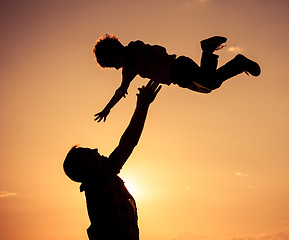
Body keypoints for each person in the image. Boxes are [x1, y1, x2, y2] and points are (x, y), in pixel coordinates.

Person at [63, 80, 161, 240]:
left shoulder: (99, 184)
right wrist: (142, 105)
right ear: (86, 166)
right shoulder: (101, 180)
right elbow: (129, 141)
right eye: (89, 152)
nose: (95, 150)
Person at [93, 34, 261, 122]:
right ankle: (236, 62)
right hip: (178, 79)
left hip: (180, 67)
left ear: (116, 49)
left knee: (209, 82)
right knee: (211, 84)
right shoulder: (127, 70)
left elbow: (138, 63)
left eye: (113, 62)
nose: (116, 67)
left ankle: (211, 51)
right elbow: (120, 90)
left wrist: (125, 83)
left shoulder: (134, 48)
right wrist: (108, 108)